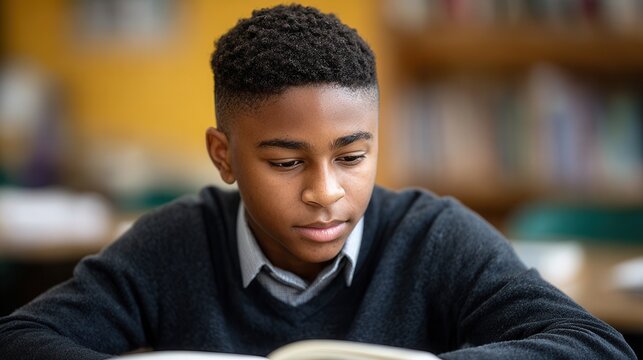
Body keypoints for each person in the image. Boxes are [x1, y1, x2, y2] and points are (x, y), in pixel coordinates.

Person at [0, 4, 636, 359]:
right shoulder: (172, 244)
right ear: (223, 157)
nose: (325, 191)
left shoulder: (432, 236)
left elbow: (597, 346)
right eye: (285, 162)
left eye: (352, 157)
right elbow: (21, 339)